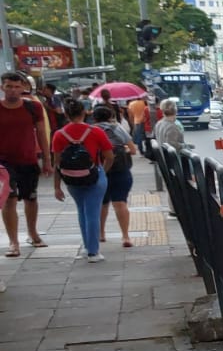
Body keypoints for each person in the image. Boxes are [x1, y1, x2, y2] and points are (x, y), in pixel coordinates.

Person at [51, 98, 114, 262]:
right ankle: (94, 252)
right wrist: (102, 172)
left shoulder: (59, 134)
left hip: (71, 178)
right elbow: (110, 156)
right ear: (84, 113)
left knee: (82, 211)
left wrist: (57, 187)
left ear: (66, 114)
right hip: (94, 176)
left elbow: (57, 163)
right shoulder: (96, 131)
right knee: (93, 212)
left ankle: (87, 248)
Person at [0, 72, 54, 255]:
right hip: (3, 163)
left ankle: (33, 233)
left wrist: (47, 160)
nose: (13, 91)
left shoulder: (33, 108)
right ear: (2, 88)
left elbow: (41, 134)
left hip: (28, 159)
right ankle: (13, 242)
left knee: (31, 198)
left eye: (17, 87)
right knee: (9, 199)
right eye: (9, 86)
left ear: (23, 88)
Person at [93, 105, 136, 248]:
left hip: (99, 171)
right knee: (120, 203)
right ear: (111, 116)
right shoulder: (117, 128)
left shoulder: (91, 130)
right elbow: (133, 150)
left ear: (94, 118)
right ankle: (125, 236)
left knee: (101, 203)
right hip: (120, 170)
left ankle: (101, 234)